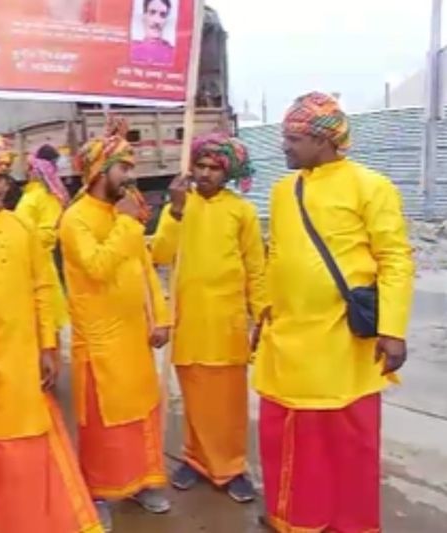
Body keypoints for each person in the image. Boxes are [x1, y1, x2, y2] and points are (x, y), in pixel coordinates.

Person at [254, 92, 414, 532]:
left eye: (293, 138)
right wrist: (262, 311)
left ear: (324, 142)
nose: (283, 146)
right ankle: (294, 518)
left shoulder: (371, 187)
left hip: (341, 343)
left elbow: (395, 260)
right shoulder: (284, 190)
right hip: (286, 343)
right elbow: (277, 256)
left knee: (345, 444)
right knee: (287, 439)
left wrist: (393, 329)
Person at [0, 137, 101, 533]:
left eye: (0, 177)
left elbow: (43, 287)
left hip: (26, 357)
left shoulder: (23, 226)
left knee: (30, 444)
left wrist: (48, 345)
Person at [58, 123, 172, 528]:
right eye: (123, 168)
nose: (131, 175)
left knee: (141, 413)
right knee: (105, 426)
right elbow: (97, 267)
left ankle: (143, 483)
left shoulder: (126, 213)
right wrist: (126, 224)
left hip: (134, 338)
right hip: (100, 343)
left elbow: (144, 268)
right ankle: (100, 492)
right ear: (99, 172)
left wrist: (161, 317)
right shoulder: (75, 220)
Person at [150, 133, 264, 503]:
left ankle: (231, 467)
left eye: (214, 168)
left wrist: (262, 314)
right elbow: (161, 255)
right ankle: (195, 460)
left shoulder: (241, 211)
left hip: (227, 322)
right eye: (200, 165)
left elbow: (256, 269)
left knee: (229, 403)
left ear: (227, 173)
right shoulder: (179, 206)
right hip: (189, 320)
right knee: (194, 397)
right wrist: (177, 210)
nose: (205, 173)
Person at [14, 150, 71, 333]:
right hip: (25, 266)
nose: (29, 171)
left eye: (32, 168)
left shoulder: (47, 197)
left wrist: (24, 241)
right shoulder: (31, 194)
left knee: (48, 329)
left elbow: (49, 233)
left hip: (41, 268)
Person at [130, 0, 174, 66]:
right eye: (152, 13)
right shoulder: (130, 49)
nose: (157, 21)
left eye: (162, 15)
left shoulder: (173, 53)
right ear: (144, 17)